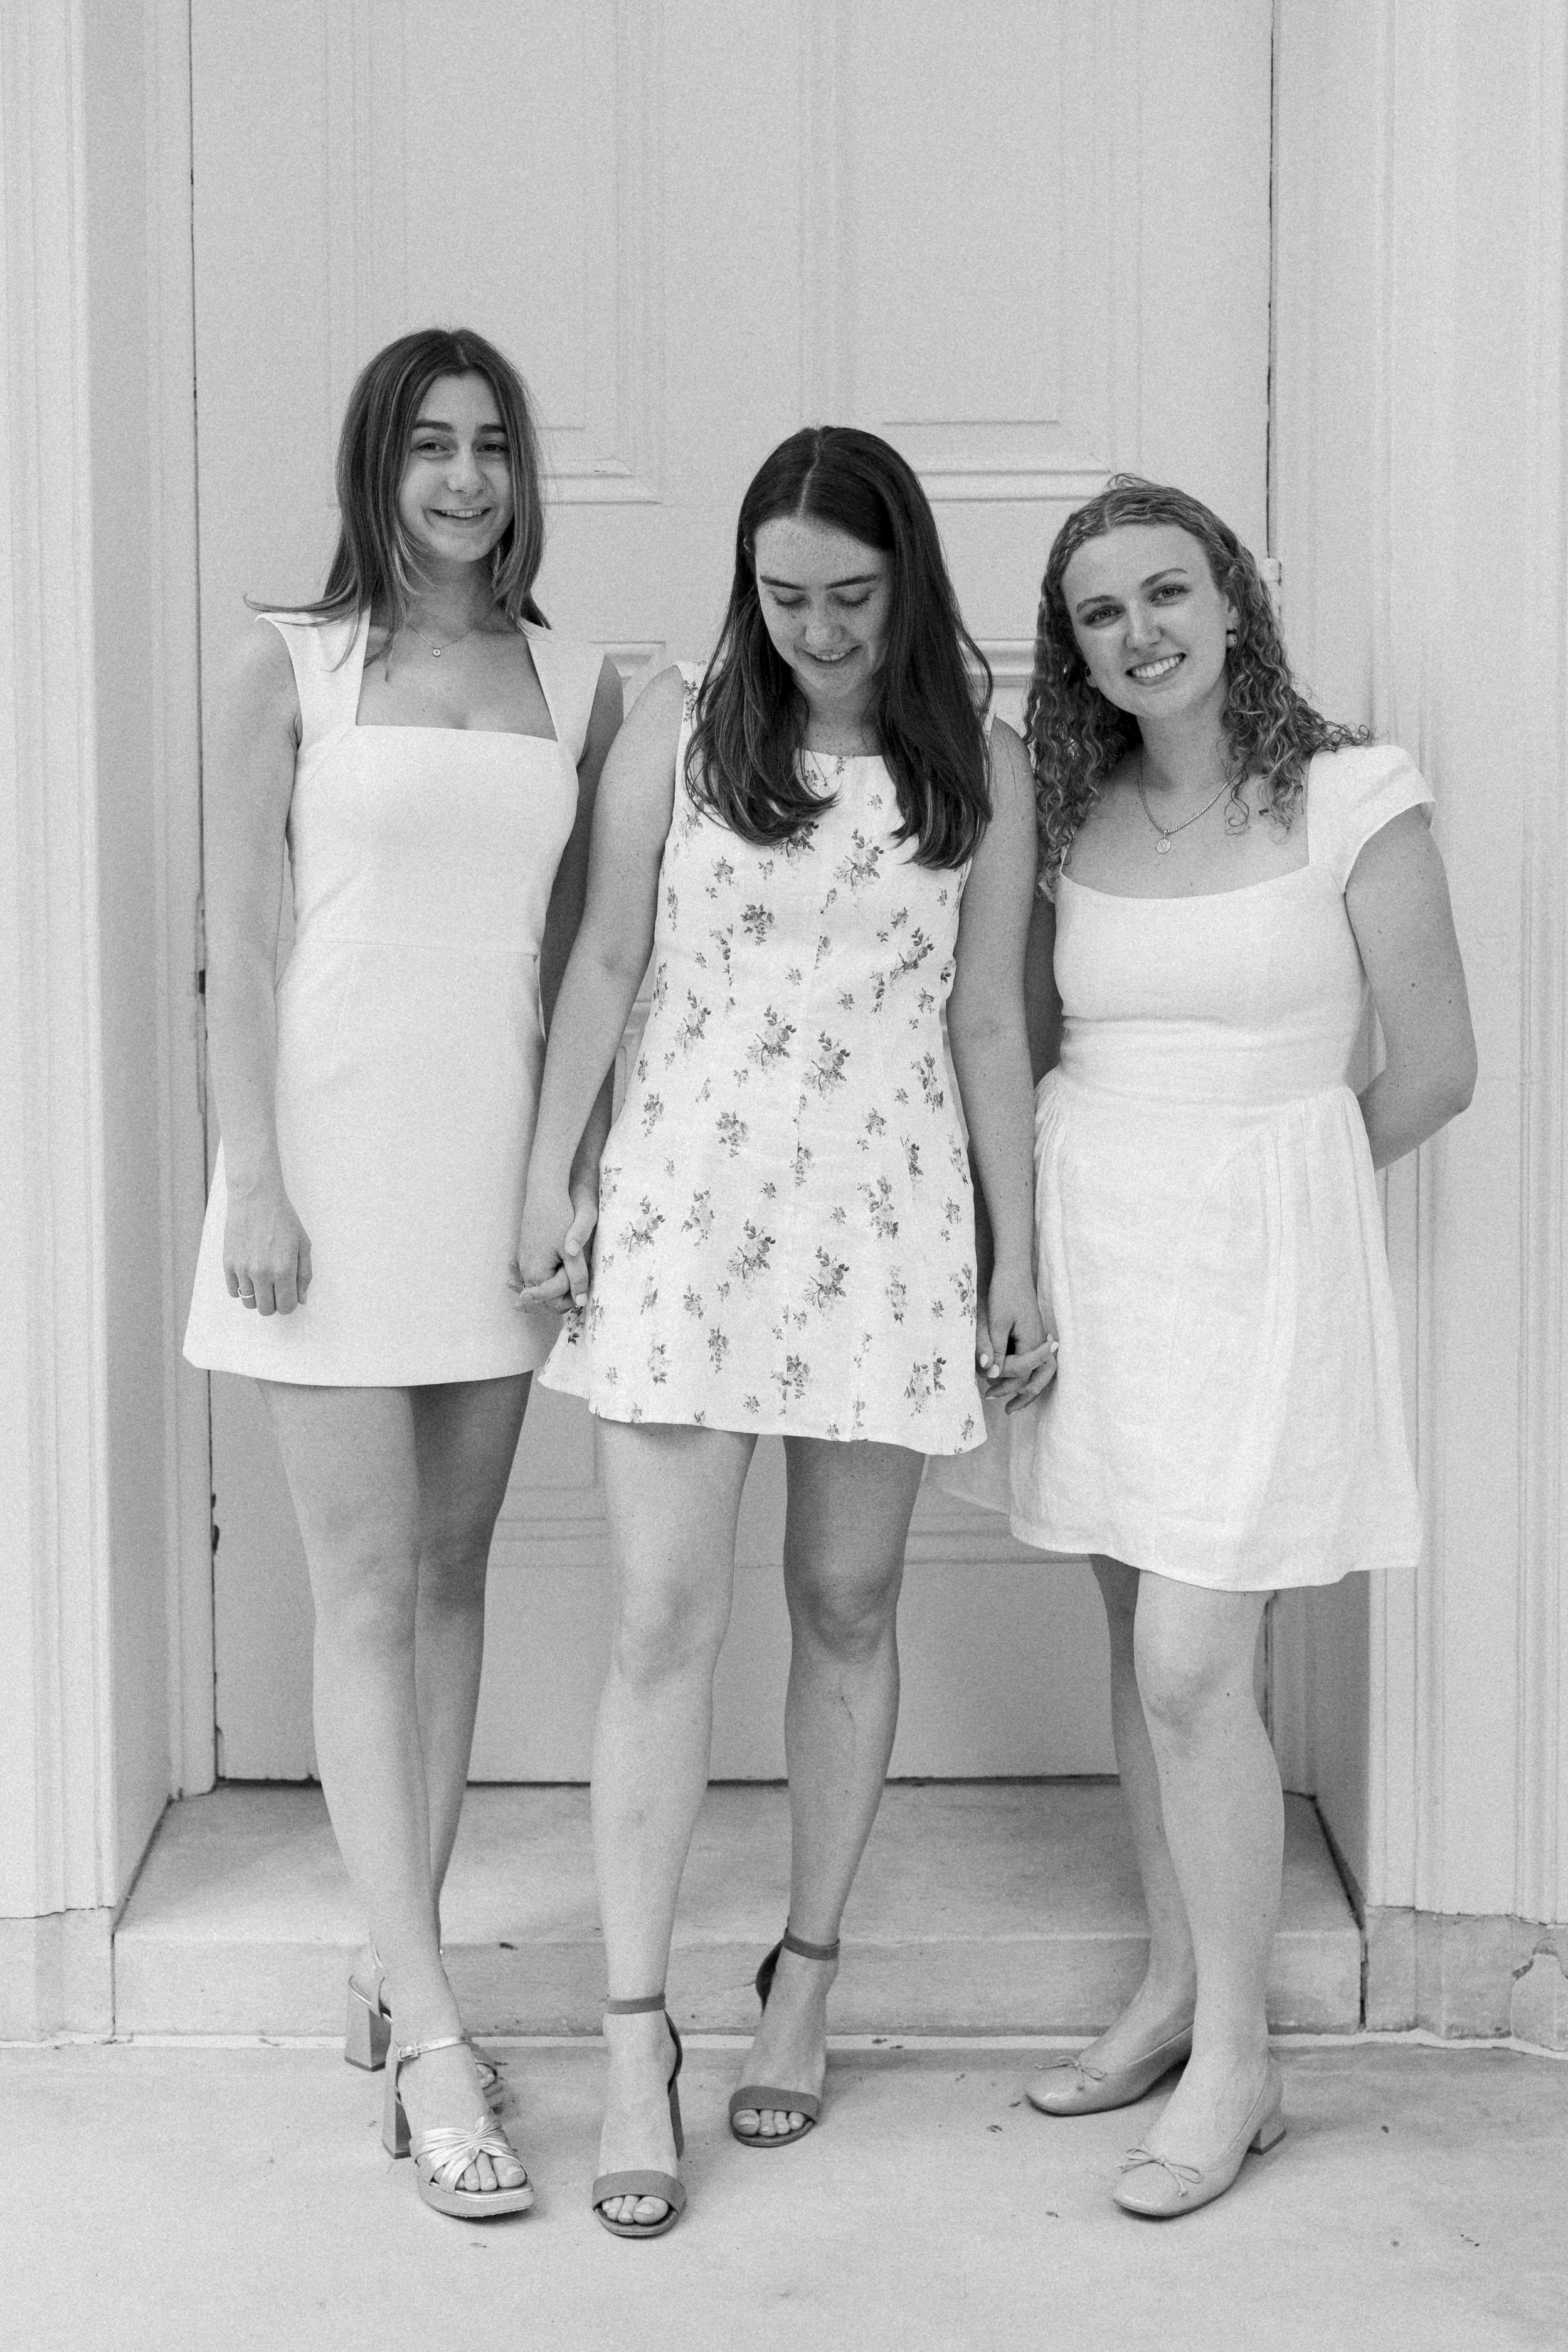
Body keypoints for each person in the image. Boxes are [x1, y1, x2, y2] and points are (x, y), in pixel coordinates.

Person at [514, 425, 1052, 2237]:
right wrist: (552, 1178)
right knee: (663, 1616)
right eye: (784, 594)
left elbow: (991, 1020)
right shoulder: (680, 732)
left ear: (908, 583)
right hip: (688, 1215)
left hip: (887, 1224)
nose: (817, 629)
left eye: (851, 596)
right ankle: (634, 2036)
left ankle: (805, 1974)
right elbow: (603, 961)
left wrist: (1014, 1255)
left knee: (846, 1603)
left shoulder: (977, 764)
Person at [937, 475, 1476, 2219]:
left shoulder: (1353, 793)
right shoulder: (1066, 808)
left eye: (1167, 592)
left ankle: (1242, 2061)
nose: (1140, 632)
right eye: (1100, 613)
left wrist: (1281, 1193)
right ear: (1072, 649)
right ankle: (1174, 1988)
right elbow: (1016, 1030)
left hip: (1261, 1267)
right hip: (1102, 1250)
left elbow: (1434, 1066)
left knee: (1191, 1662)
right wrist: (1017, 1258)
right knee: (1139, 1638)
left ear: (1233, 599)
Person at [183, 326, 622, 2220]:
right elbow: (238, 941)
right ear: (377, 463)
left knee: (451, 1582)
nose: (464, 478)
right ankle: (436, 2041)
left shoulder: (582, 683)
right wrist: (254, 1184)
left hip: (494, 1179)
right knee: (363, 1592)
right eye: (431, 445)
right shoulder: (282, 668)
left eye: (492, 446)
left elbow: (592, 967)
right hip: (328, 1171)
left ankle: (399, 1954)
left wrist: (563, 1181)